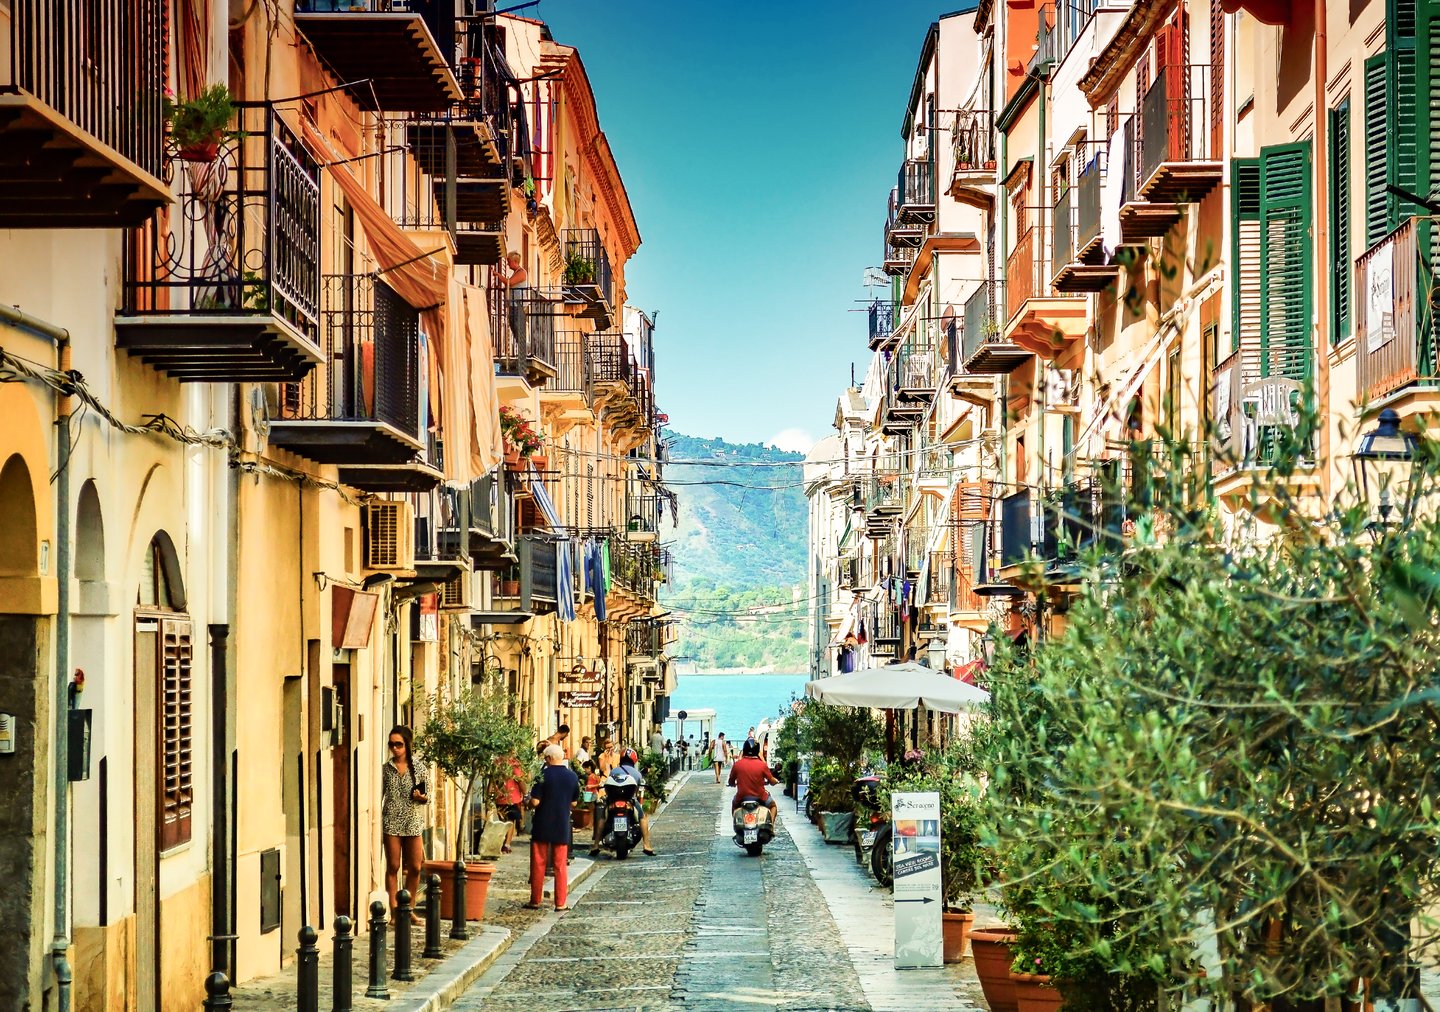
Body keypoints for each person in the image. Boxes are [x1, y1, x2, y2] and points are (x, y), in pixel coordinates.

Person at [382, 725, 428, 924]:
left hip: (412, 820)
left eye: (398, 744)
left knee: (416, 867)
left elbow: (426, 796)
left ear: (407, 745)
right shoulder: (386, 769)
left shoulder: (418, 768)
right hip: (391, 820)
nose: (395, 748)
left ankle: (408, 909)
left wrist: (421, 797)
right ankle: (394, 911)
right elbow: (380, 794)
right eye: (391, 744)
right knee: (393, 866)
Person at [527, 744, 579, 910]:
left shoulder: (542, 774)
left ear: (548, 758)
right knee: (560, 865)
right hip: (561, 823)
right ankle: (560, 903)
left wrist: (528, 802)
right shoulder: (572, 777)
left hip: (542, 823)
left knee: (538, 863)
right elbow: (574, 802)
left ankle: (535, 900)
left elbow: (535, 801)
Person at [606, 748, 656, 856]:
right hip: (629, 801)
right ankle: (646, 844)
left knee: (601, 816)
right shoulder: (637, 774)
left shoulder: (614, 771)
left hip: (613, 800)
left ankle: (595, 844)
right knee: (642, 817)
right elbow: (638, 790)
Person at [729, 737, 780, 826]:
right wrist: (776, 781)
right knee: (773, 806)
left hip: (742, 797)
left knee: (734, 804)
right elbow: (771, 781)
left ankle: (737, 824)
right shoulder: (762, 765)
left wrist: (732, 784)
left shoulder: (737, 765)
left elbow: (731, 781)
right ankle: (770, 825)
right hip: (760, 797)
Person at [495, 756, 526, 854]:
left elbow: (492, 780)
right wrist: (525, 792)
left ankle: (504, 842)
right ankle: (507, 844)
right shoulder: (514, 763)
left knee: (503, 820)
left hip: (499, 797)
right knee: (510, 821)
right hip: (512, 797)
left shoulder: (496, 762)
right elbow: (519, 780)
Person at [501, 251, 529, 352]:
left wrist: (497, 275)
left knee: (516, 325)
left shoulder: (522, 272)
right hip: (514, 304)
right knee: (513, 324)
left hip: (518, 304)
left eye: (509, 261)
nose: (507, 264)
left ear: (515, 261)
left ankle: (524, 348)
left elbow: (510, 282)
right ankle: (522, 347)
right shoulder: (516, 272)